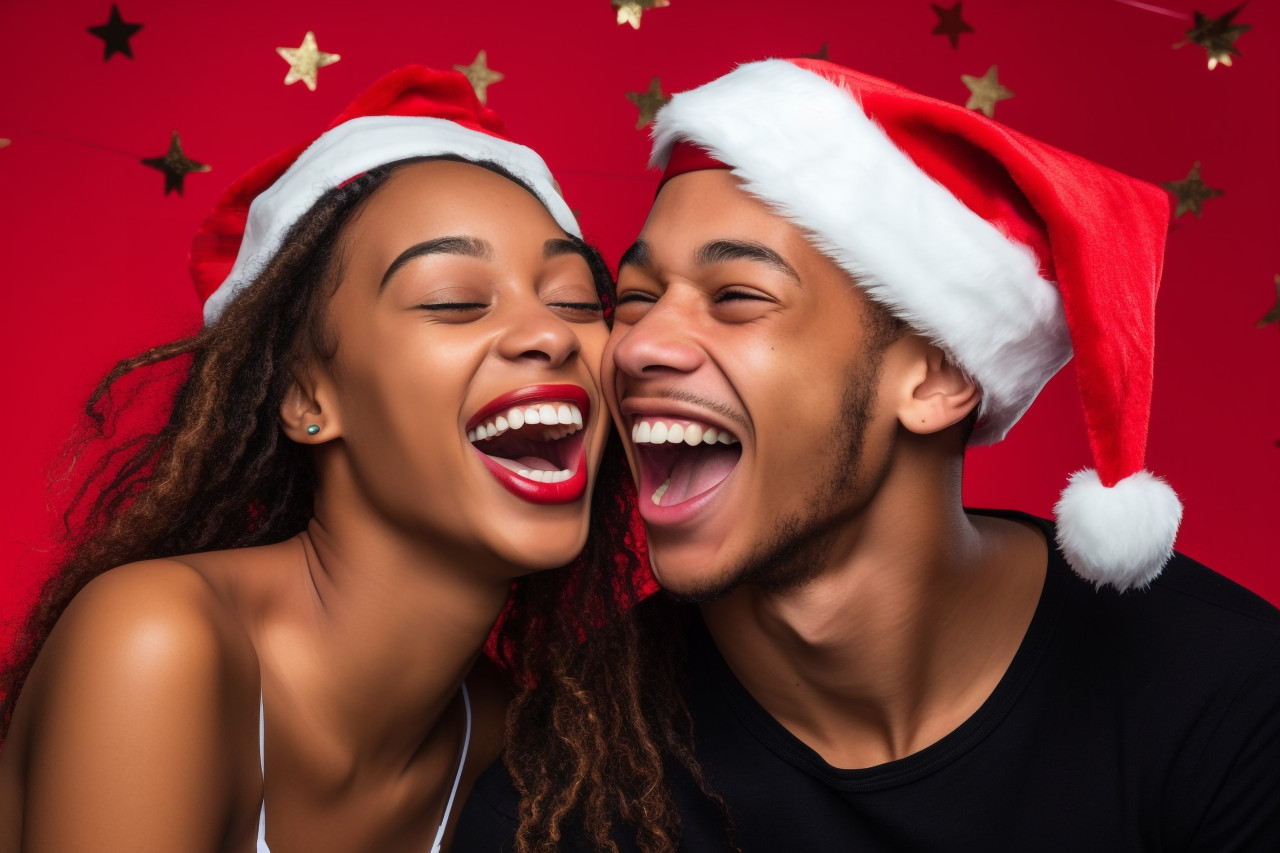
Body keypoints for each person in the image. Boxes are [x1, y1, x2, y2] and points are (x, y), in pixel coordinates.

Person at [456, 59, 1280, 851]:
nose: (637, 348)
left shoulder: (1230, 707)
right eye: (636, 299)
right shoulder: (561, 786)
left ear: (938, 375)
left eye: (737, 297)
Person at [0, 66, 654, 852]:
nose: (550, 334)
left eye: (577, 299)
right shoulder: (157, 647)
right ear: (307, 399)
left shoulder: (504, 739)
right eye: (453, 299)